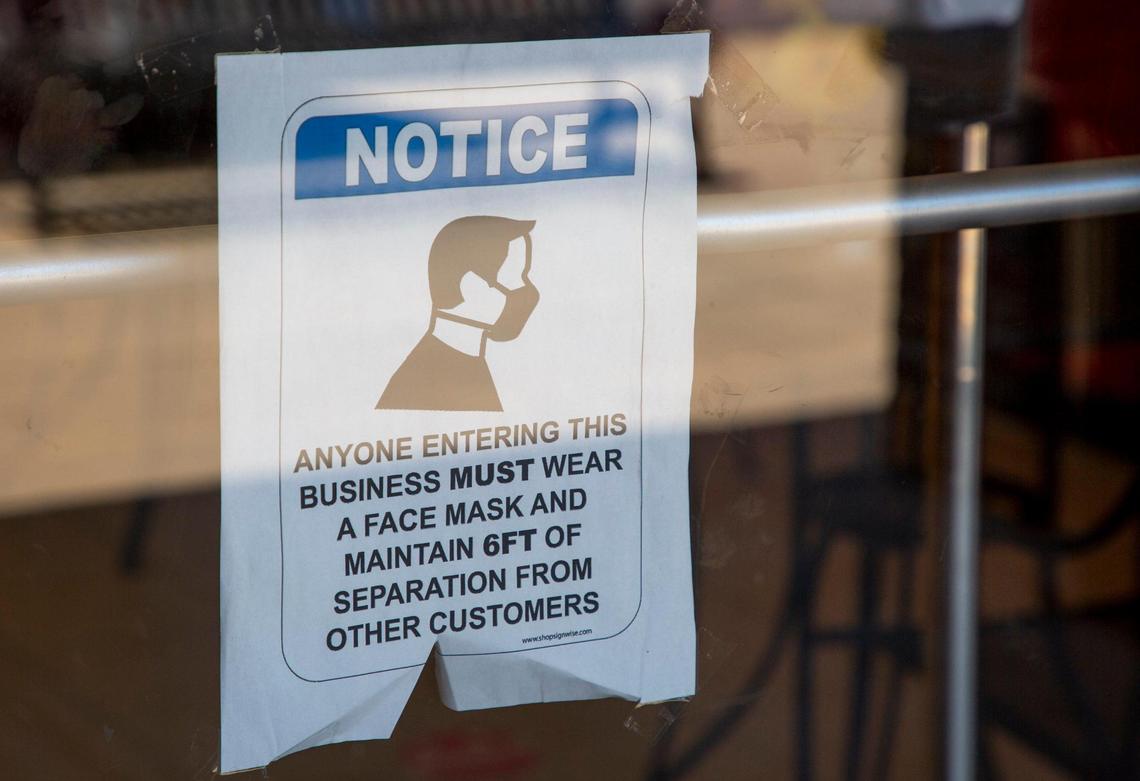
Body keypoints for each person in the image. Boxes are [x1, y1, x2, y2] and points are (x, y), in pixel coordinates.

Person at [377, 215, 539, 411]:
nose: (527, 290)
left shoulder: (466, 363)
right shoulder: (427, 383)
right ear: (470, 284)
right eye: (513, 277)